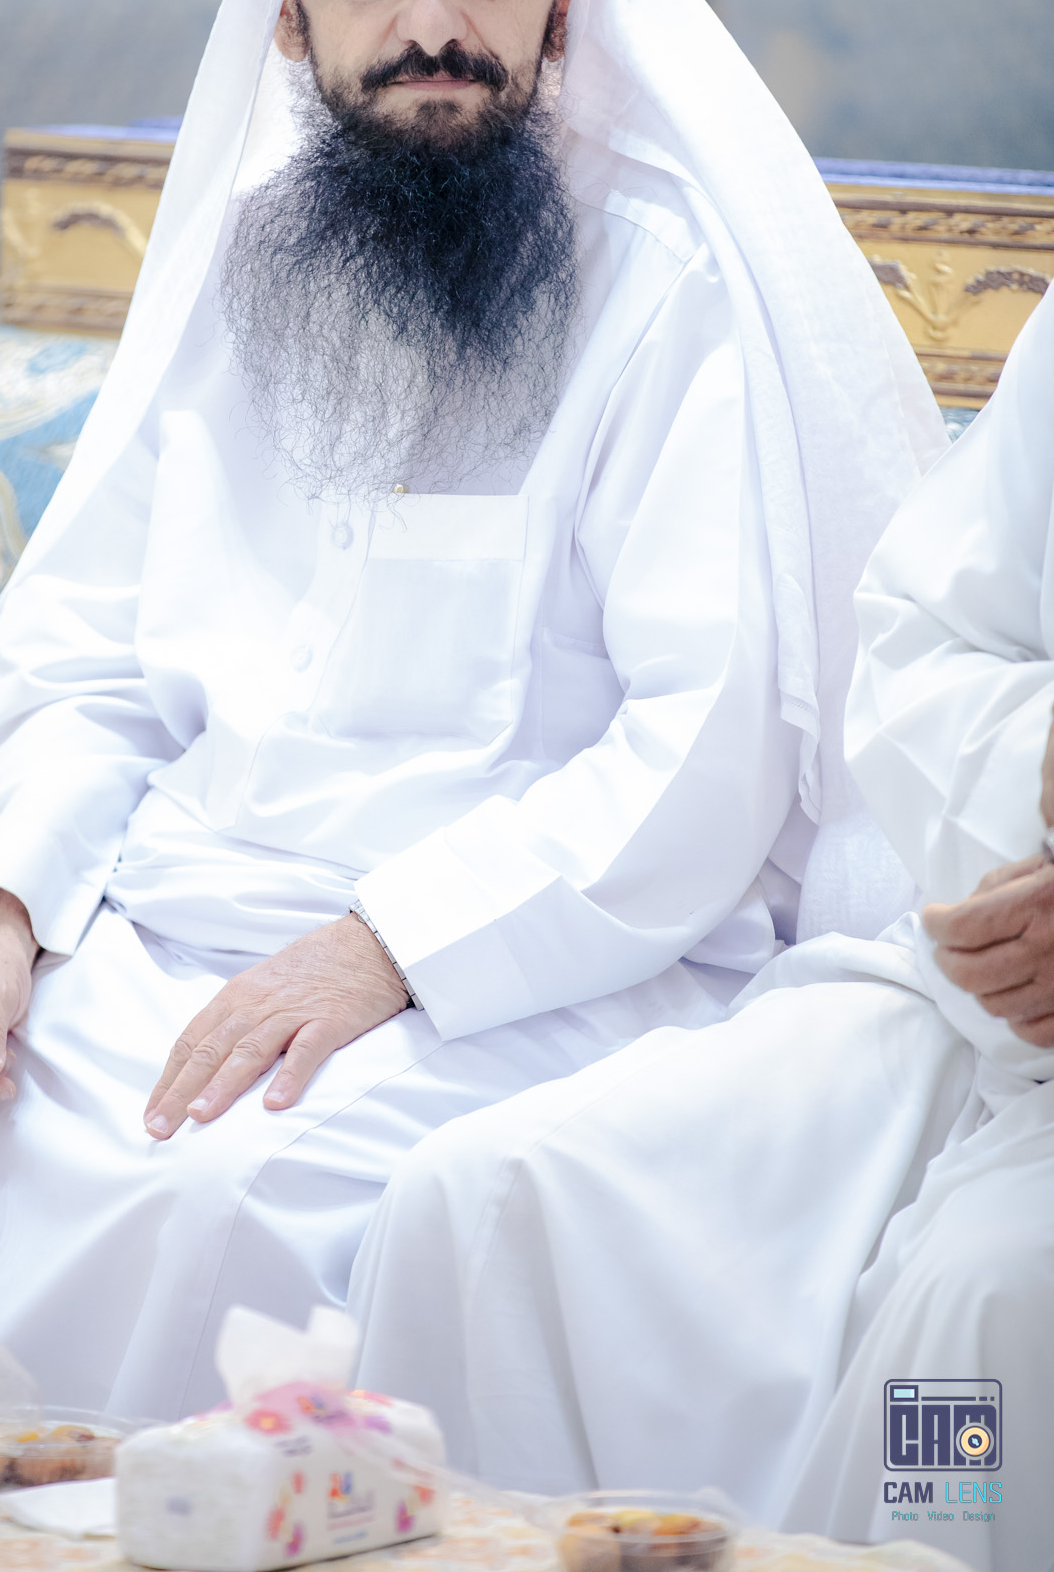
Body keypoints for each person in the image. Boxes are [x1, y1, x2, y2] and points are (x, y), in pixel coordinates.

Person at [0, 0, 937, 1426]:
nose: (432, 20)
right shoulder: (240, 262)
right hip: (162, 937)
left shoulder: (667, 288)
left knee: (227, 1211)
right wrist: (0, 915)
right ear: (288, 8)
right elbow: (92, 660)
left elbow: (704, 748)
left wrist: (382, 948)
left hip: (526, 972)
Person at [350, 287, 1054, 1572]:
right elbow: (925, 635)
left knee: (979, 1328)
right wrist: (1034, 775)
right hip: (977, 985)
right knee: (484, 1197)